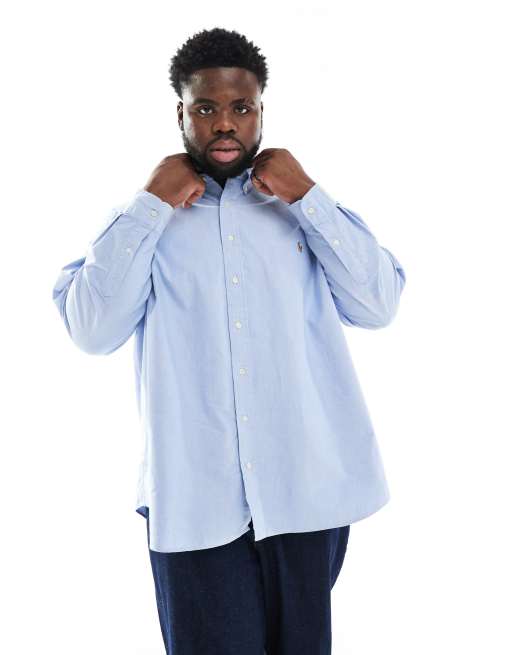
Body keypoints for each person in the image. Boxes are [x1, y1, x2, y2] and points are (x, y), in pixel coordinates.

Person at [52, 26, 406, 655]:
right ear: (180, 114)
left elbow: (377, 305)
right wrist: (151, 202)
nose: (224, 124)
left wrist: (308, 195)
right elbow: (91, 330)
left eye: (241, 108)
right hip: (195, 497)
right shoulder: (148, 222)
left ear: (262, 111)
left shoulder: (299, 211)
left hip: (305, 490)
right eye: (206, 108)